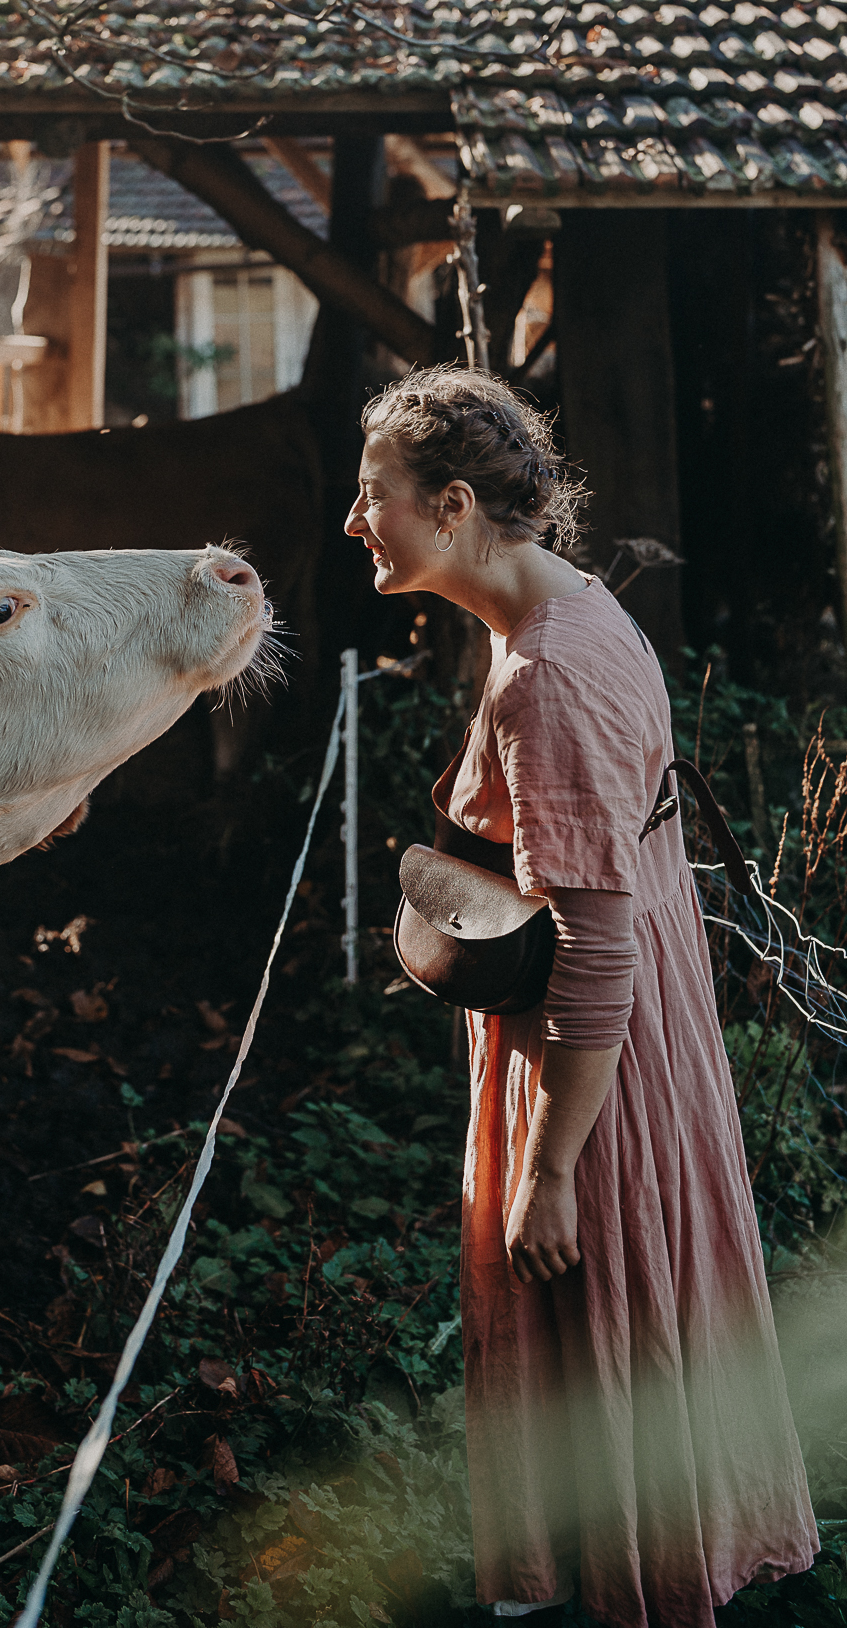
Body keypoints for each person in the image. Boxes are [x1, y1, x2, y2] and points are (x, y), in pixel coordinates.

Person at [345, 367, 818, 1628]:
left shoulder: (546, 671)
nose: (354, 523)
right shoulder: (576, 608)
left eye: (371, 496)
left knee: (610, 1322)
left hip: (592, 1071)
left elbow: (594, 953)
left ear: (449, 505)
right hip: (623, 1039)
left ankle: (640, 1590)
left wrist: (551, 1167)